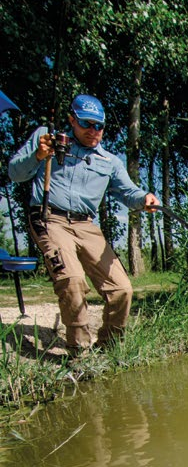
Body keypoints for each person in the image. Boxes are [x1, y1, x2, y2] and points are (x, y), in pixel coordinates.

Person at [8, 94, 160, 353]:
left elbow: (128, 192)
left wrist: (144, 198)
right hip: (49, 218)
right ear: (72, 120)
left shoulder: (109, 161)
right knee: (73, 279)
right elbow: (15, 173)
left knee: (122, 288)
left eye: (99, 126)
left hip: (86, 225)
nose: (93, 131)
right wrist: (38, 155)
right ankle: (80, 353)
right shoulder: (48, 137)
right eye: (86, 124)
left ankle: (109, 350)